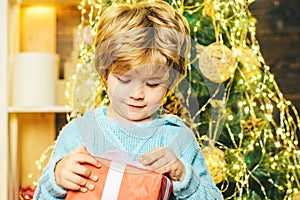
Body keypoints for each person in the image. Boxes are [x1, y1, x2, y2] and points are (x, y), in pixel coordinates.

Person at [33, 1, 223, 199]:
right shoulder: (78, 134)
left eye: (152, 84)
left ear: (170, 82)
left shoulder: (178, 139)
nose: (137, 94)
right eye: (124, 80)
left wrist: (185, 178)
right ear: (105, 73)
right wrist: (56, 180)